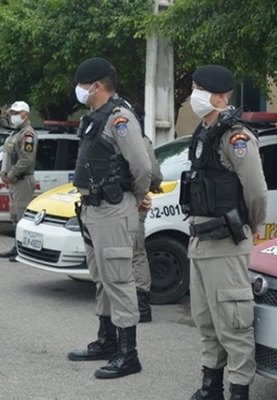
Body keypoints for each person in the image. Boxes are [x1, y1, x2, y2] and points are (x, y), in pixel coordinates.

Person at [183, 65, 267, 400]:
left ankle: (239, 390)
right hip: (200, 242)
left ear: (220, 96)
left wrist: (255, 224)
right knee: (206, 321)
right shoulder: (204, 134)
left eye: (199, 89)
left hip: (225, 241)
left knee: (233, 324)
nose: (194, 95)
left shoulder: (237, 137)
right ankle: (210, 386)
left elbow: (257, 190)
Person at [66, 57, 152, 380]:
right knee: (101, 278)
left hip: (114, 209)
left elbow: (141, 166)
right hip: (93, 210)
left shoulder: (120, 118)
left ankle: (128, 354)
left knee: (118, 279)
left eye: (83, 85)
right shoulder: (94, 117)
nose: (79, 91)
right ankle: (106, 340)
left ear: (97, 86)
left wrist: (139, 195)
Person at [0, 101, 38, 261]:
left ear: (25, 114)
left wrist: (12, 174)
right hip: (14, 182)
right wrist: (4, 172)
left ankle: (23, 250)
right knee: (15, 216)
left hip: (22, 180)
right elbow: (8, 155)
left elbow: (26, 159)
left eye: (16, 113)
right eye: (12, 113)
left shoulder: (28, 134)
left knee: (23, 216)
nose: (13, 116)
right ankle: (17, 247)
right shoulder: (14, 133)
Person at [134, 135, 163, 323]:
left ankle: (139, 307)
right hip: (135, 201)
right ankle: (141, 307)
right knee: (136, 255)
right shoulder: (141, 138)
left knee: (132, 255)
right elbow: (155, 175)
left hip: (118, 204)